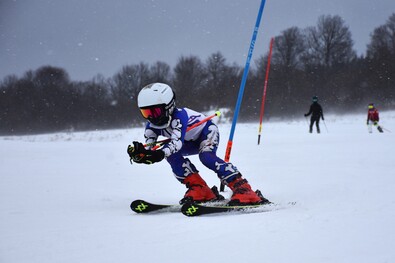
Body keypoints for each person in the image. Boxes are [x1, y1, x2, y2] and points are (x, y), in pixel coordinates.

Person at [127, 83, 269, 205]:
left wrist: (158, 154)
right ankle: (200, 189)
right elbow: (151, 146)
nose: (151, 117)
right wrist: (143, 154)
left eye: (155, 111)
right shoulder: (151, 126)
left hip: (206, 132)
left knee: (206, 157)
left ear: (169, 106)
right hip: (188, 142)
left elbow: (175, 143)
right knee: (171, 155)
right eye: (146, 113)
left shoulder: (179, 116)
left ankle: (243, 189)